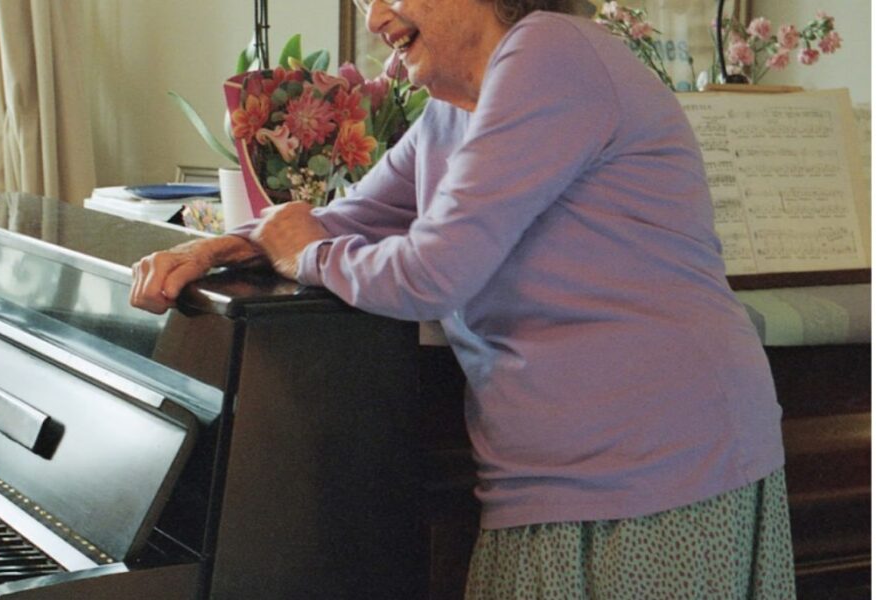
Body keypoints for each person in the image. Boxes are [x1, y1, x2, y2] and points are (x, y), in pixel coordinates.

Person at [132, 0, 795, 597]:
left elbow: (432, 273)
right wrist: (216, 250)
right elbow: (346, 218)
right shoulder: (454, 111)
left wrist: (306, 256)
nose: (374, 18)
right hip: (553, 476)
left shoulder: (551, 50)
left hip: (661, 464)